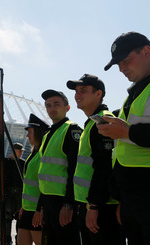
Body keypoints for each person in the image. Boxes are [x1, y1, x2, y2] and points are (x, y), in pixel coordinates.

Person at [98, 31, 150, 244]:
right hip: (132, 201)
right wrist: (123, 200)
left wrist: (127, 132)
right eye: (118, 65)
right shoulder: (134, 92)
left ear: (147, 52)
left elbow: (130, 135)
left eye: (126, 61)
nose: (121, 69)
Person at [67, 74, 121, 244]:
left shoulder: (102, 121)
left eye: (83, 91)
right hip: (91, 204)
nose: (77, 95)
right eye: (76, 91)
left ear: (98, 94)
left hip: (100, 207)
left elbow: (104, 168)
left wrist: (94, 205)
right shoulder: (91, 123)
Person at [38, 89, 83, 245]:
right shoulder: (47, 135)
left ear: (67, 108)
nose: (52, 108)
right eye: (48, 105)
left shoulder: (71, 130)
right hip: (49, 201)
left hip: (63, 201)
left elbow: (75, 170)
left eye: (56, 104)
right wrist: (41, 207)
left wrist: (69, 204)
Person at [18, 114, 49, 245]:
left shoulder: (44, 154)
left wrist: (40, 209)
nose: (27, 136)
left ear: (38, 133)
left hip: (37, 211)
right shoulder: (33, 153)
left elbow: (45, 184)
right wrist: (23, 206)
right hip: (27, 209)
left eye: (30, 132)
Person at [4, 142, 25, 245]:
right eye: (19, 151)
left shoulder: (23, 163)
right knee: (7, 218)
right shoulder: (5, 162)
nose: (21, 153)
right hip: (8, 194)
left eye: (21, 151)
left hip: (19, 194)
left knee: (19, 218)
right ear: (14, 151)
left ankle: (19, 240)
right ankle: (7, 240)